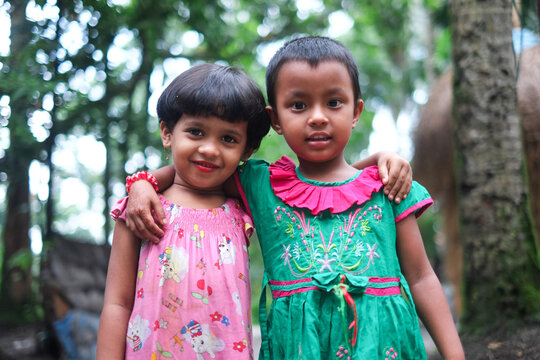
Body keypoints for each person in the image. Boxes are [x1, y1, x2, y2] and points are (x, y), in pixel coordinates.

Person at [123, 37, 453, 359]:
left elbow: (423, 278)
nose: (318, 117)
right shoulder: (260, 185)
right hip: (297, 346)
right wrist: (143, 183)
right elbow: (195, 172)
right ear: (275, 120)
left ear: (356, 111)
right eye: (299, 105)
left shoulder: (387, 185)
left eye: (334, 102)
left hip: (382, 346)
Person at [96, 63, 271, 359]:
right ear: (167, 133)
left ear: (246, 151)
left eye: (228, 139)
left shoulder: (247, 206)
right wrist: (141, 184)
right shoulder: (141, 209)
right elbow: (117, 304)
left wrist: (376, 160)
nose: (210, 149)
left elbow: (319, 188)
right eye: (196, 132)